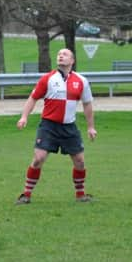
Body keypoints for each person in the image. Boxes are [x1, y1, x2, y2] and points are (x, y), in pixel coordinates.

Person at [15, 48, 97, 204]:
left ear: (72, 61)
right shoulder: (47, 79)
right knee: (38, 159)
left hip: (69, 127)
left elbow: (87, 104)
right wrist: (24, 117)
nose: (60, 56)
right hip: (49, 126)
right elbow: (33, 98)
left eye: (65, 54)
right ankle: (26, 195)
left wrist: (91, 127)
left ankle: (81, 195)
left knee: (79, 161)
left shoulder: (81, 81)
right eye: (59, 54)